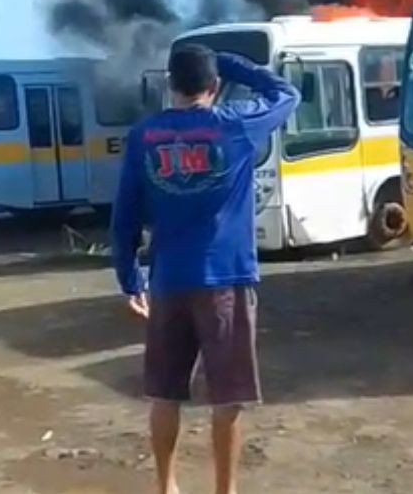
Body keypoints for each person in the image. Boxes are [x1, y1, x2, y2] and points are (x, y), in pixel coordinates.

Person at [110, 43, 300, 494]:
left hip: (168, 281)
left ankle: (166, 486)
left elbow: (125, 215)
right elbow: (286, 94)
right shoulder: (235, 125)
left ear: (169, 84)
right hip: (225, 280)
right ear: (213, 87)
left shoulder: (143, 136)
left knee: (164, 393)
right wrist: (230, 61)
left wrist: (128, 277)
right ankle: (224, 490)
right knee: (229, 396)